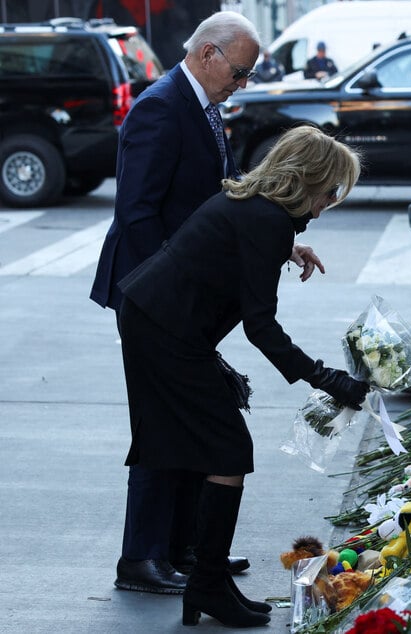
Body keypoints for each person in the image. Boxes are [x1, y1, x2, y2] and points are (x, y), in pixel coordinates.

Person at [90, 11, 322, 595]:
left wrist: (282, 240)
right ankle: (143, 558)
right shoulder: (161, 106)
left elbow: (226, 196)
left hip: (180, 296)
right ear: (208, 53)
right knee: (161, 421)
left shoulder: (203, 106)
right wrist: (156, 293)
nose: (241, 83)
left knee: (189, 415)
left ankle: (186, 548)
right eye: (240, 72)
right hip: (153, 295)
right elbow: (137, 213)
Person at [117, 125, 369, 628]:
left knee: (209, 446)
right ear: (308, 180)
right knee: (228, 448)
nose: (329, 204)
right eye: (330, 191)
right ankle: (206, 581)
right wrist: (326, 378)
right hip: (165, 331)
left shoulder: (257, 208)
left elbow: (236, 245)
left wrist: (285, 249)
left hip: (157, 320)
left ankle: (203, 576)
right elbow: (261, 327)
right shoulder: (268, 221)